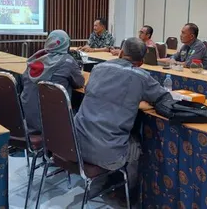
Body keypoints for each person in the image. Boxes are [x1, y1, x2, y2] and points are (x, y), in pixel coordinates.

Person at [74, 37, 171, 200]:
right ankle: (130, 195)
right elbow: (164, 97)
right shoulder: (141, 76)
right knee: (139, 145)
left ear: (120, 53)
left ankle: (98, 182)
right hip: (107, 155)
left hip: (75, 144)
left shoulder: (98, 68)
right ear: (141, 61)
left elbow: (89, 89)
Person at [21, 30, 85, 132]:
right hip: (54, 125)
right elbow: (80, 82)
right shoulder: (67, 61)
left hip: (29, 121)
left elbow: (23, 80)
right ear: (67, 44)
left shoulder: (35, 59)